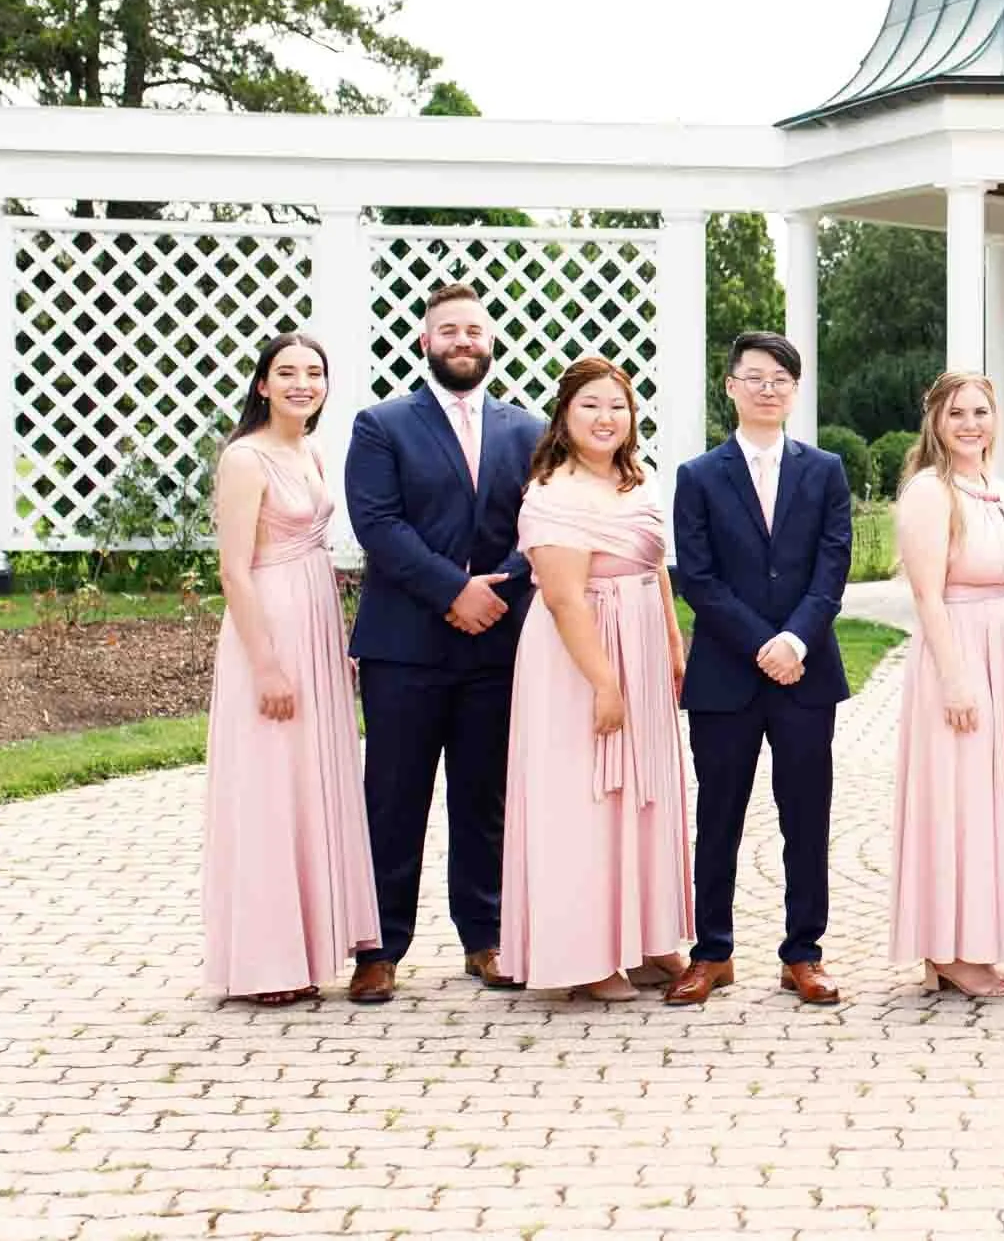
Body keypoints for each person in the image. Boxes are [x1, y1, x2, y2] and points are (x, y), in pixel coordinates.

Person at [342, 283, 545, 1004]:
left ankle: (485, 938)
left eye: (475, 331)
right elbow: (379, 525)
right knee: (394, 797)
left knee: (483, 795)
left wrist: (499, 591)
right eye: (449, 331)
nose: (464, 341)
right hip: (405, 643)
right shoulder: (381, 425)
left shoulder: (528, 430)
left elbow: (542, 523)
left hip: (495, 641)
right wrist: (451, 591)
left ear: (491, 343)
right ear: (425, 342)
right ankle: (377, 947)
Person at [666, 332, 853, 1008]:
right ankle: (711, 952)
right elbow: (698, 577)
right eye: (754, 377)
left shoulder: (825, 470)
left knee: (806, 817)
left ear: (794, 391)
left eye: (780, 379)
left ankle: (803, 953)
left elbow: (833, 567)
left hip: (806, 674)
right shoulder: (697, 476)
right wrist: (759, 644)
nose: (768, 388)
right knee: (718, 816)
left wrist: (796, 642)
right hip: (726, 674)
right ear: (731, 387)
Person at [499, 357, 693, 1002]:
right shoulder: (553, 490)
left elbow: (655, 567)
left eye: (617, 405)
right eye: (590, 406)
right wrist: (605, 684)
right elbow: (562, 599)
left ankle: (645, 936)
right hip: (579, 658)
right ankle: (586, 954)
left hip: (639, 644)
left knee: (643, 794)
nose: (606, 418)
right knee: (585, 797)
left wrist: (670, 640)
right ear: (564, 416)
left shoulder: (637, 483)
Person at [200, 332, 379, 1005]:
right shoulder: (245, 459)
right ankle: (263, 963)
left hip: (315, 617)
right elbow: (233, 570)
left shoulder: (309, 450)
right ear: (262, 385)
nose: (303, 383)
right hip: (269, 623)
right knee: (269, 788)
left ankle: (304, 951)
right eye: (288, 372)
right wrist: (267, 665)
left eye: (314, 372)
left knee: (308, 782)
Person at [888, 371, 1004, 997]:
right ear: (936, 421)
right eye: (957, 413)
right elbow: (927, 594)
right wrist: (955, 678)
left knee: (989, 799)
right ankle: (946, 948)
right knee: (954, 798)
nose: (971, 424)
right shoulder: (931, 491)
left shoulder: (996, 489)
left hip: (1003, 654)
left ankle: (973, 941)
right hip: (956, 654)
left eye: (981, 412)